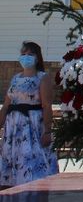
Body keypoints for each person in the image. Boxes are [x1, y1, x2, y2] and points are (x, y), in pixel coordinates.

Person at [0, 41, 59, 188]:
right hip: (13, 128)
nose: (26, 57)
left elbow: (46, 105)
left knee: (32, 163)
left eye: (30, 54)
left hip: (32, 126)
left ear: (37, 58)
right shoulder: (15, 78)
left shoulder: (42, 77)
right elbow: (7, 104)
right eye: (23, 54)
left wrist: (47, 131)